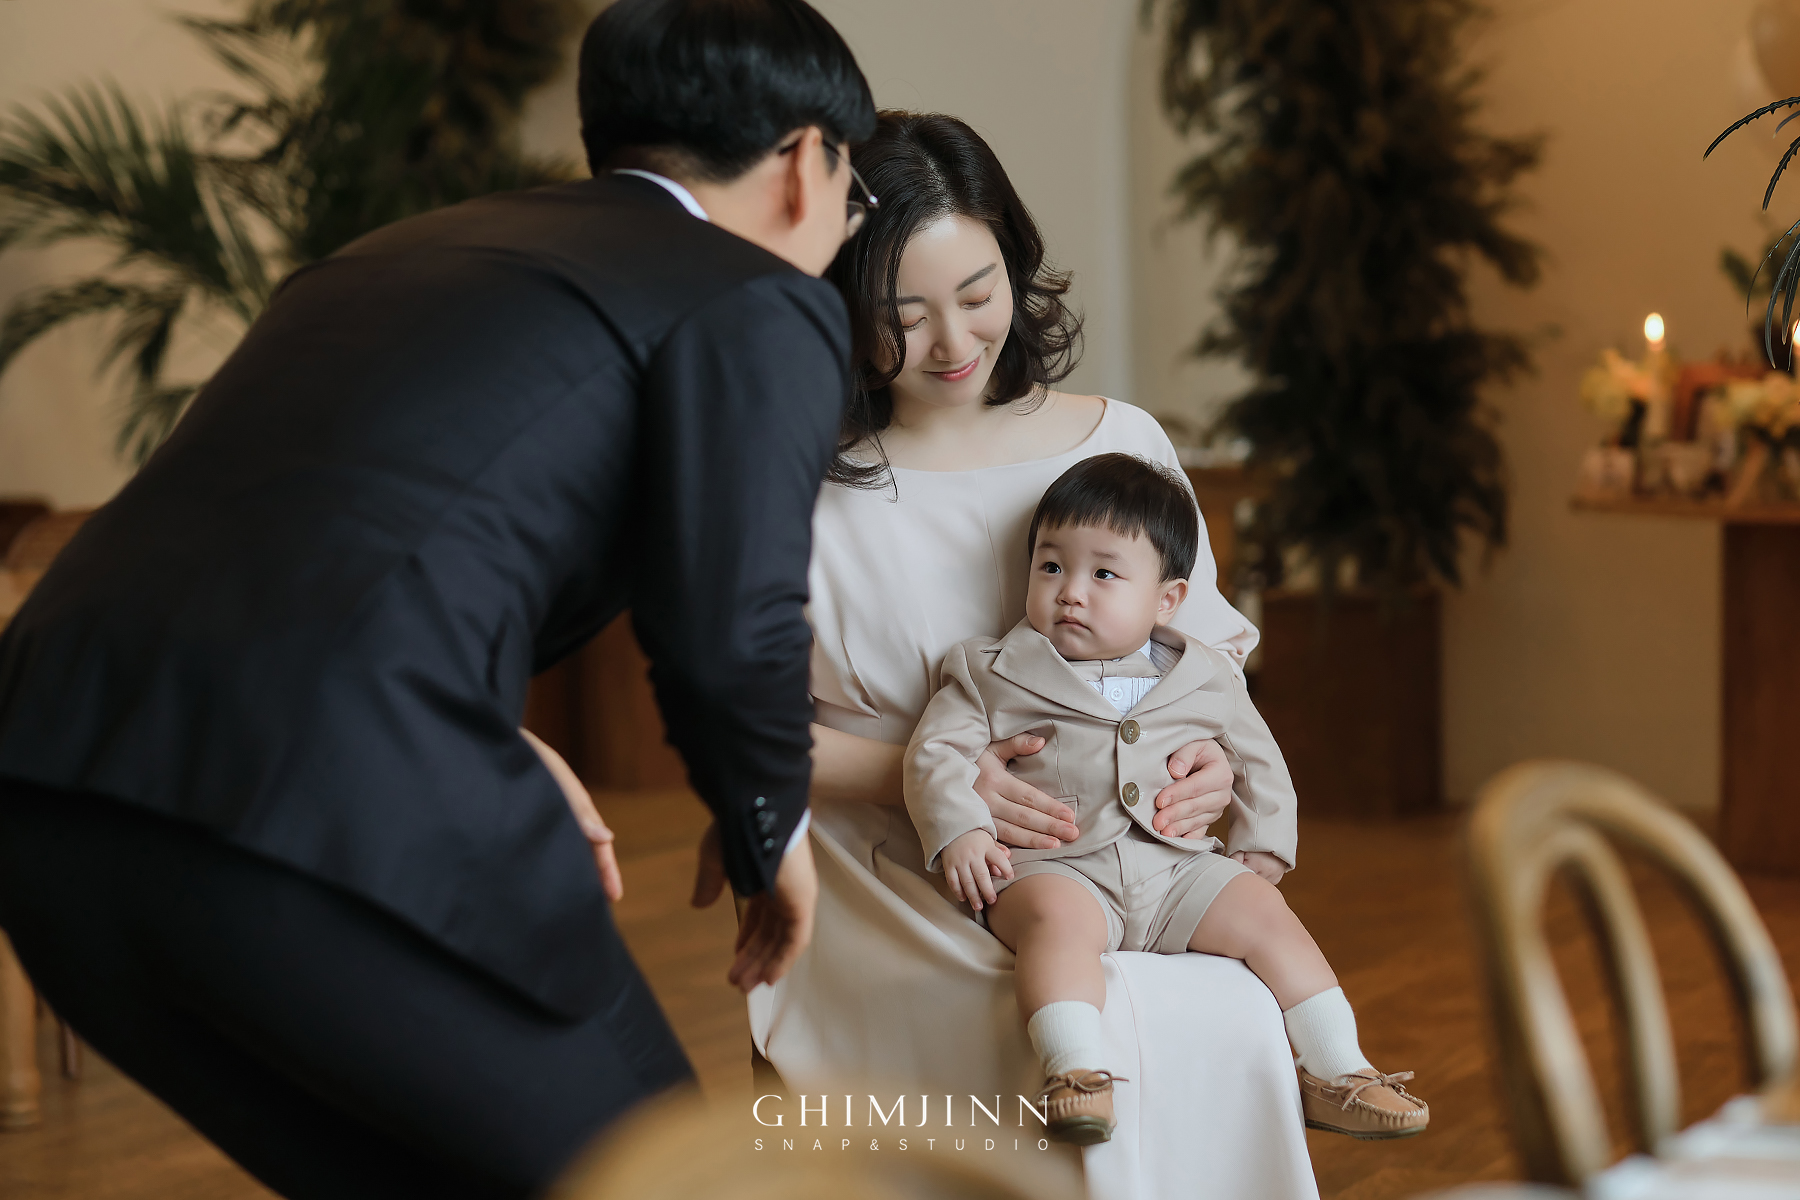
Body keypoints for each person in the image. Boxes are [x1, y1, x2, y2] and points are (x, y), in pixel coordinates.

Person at [0, 2, 875, 1196]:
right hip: (311, 801)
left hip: (48, 791)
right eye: (852, 192)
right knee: (667, 1177)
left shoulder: (393, 254)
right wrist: (773, 825)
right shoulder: (756, 295)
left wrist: (475, 710)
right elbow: (730, 623)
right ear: (805, 160)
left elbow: (321, 535)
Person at [748, 111, 1322, 1199]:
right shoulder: (806, 495)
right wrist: (938, 779)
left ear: (1016, 264)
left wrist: (1206, 763)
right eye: (902, 316)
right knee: (1044, 1031)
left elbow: (1200, 661)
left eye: (978, 294)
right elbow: (748, 735)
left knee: (1230, 1010)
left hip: (1133, 854)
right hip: (900, 872)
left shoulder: (1123, 443)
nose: (953, 343)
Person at [909, 453, 1430, 1145]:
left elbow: (1256, 757)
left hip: (1178, 868)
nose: (1071, 593)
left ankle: (1339, 1069)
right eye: (1051, 566)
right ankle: (1074, 1073)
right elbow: (935, 752)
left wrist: (1265, 839)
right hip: (1056, 867)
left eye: (1104, 574)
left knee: (1266, 915)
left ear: (1166, 600)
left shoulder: (1203, 674)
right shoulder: (991, 669)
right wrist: (962, 829)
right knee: (1055, 929)